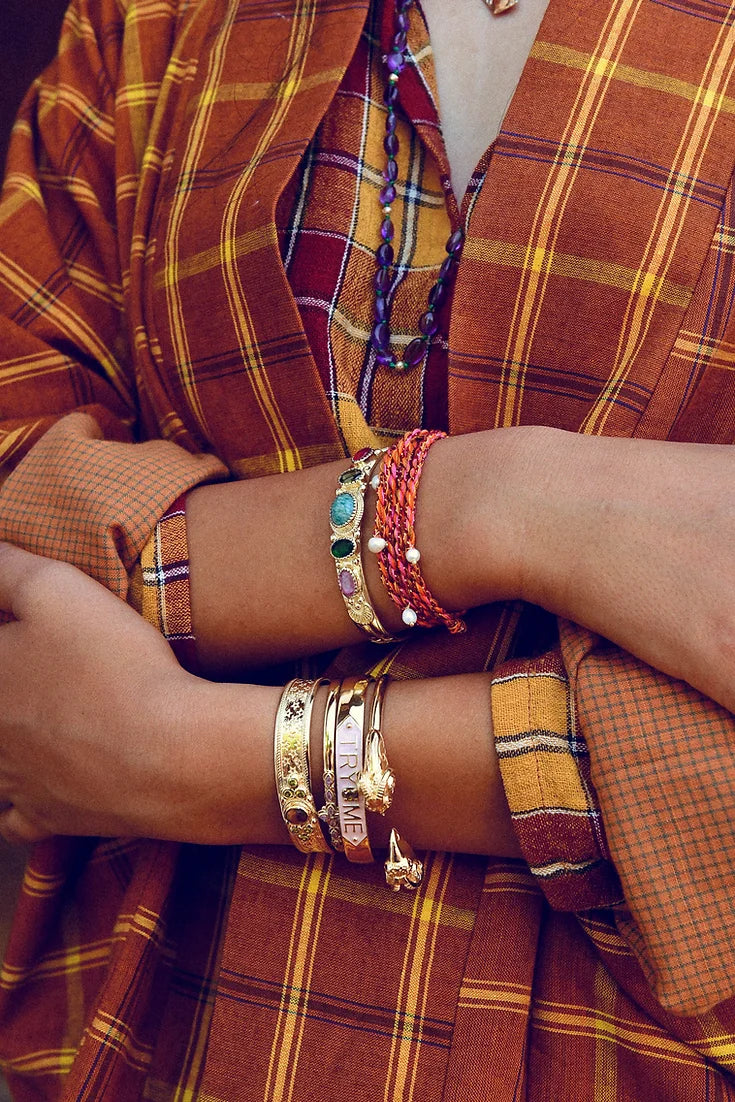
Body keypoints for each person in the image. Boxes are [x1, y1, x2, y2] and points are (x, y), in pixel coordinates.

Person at [0, 0, 734, 1096]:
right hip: (145, 1039)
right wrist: (510, 507)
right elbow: (20, 523)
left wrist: (195, 759)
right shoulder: (151, 23)